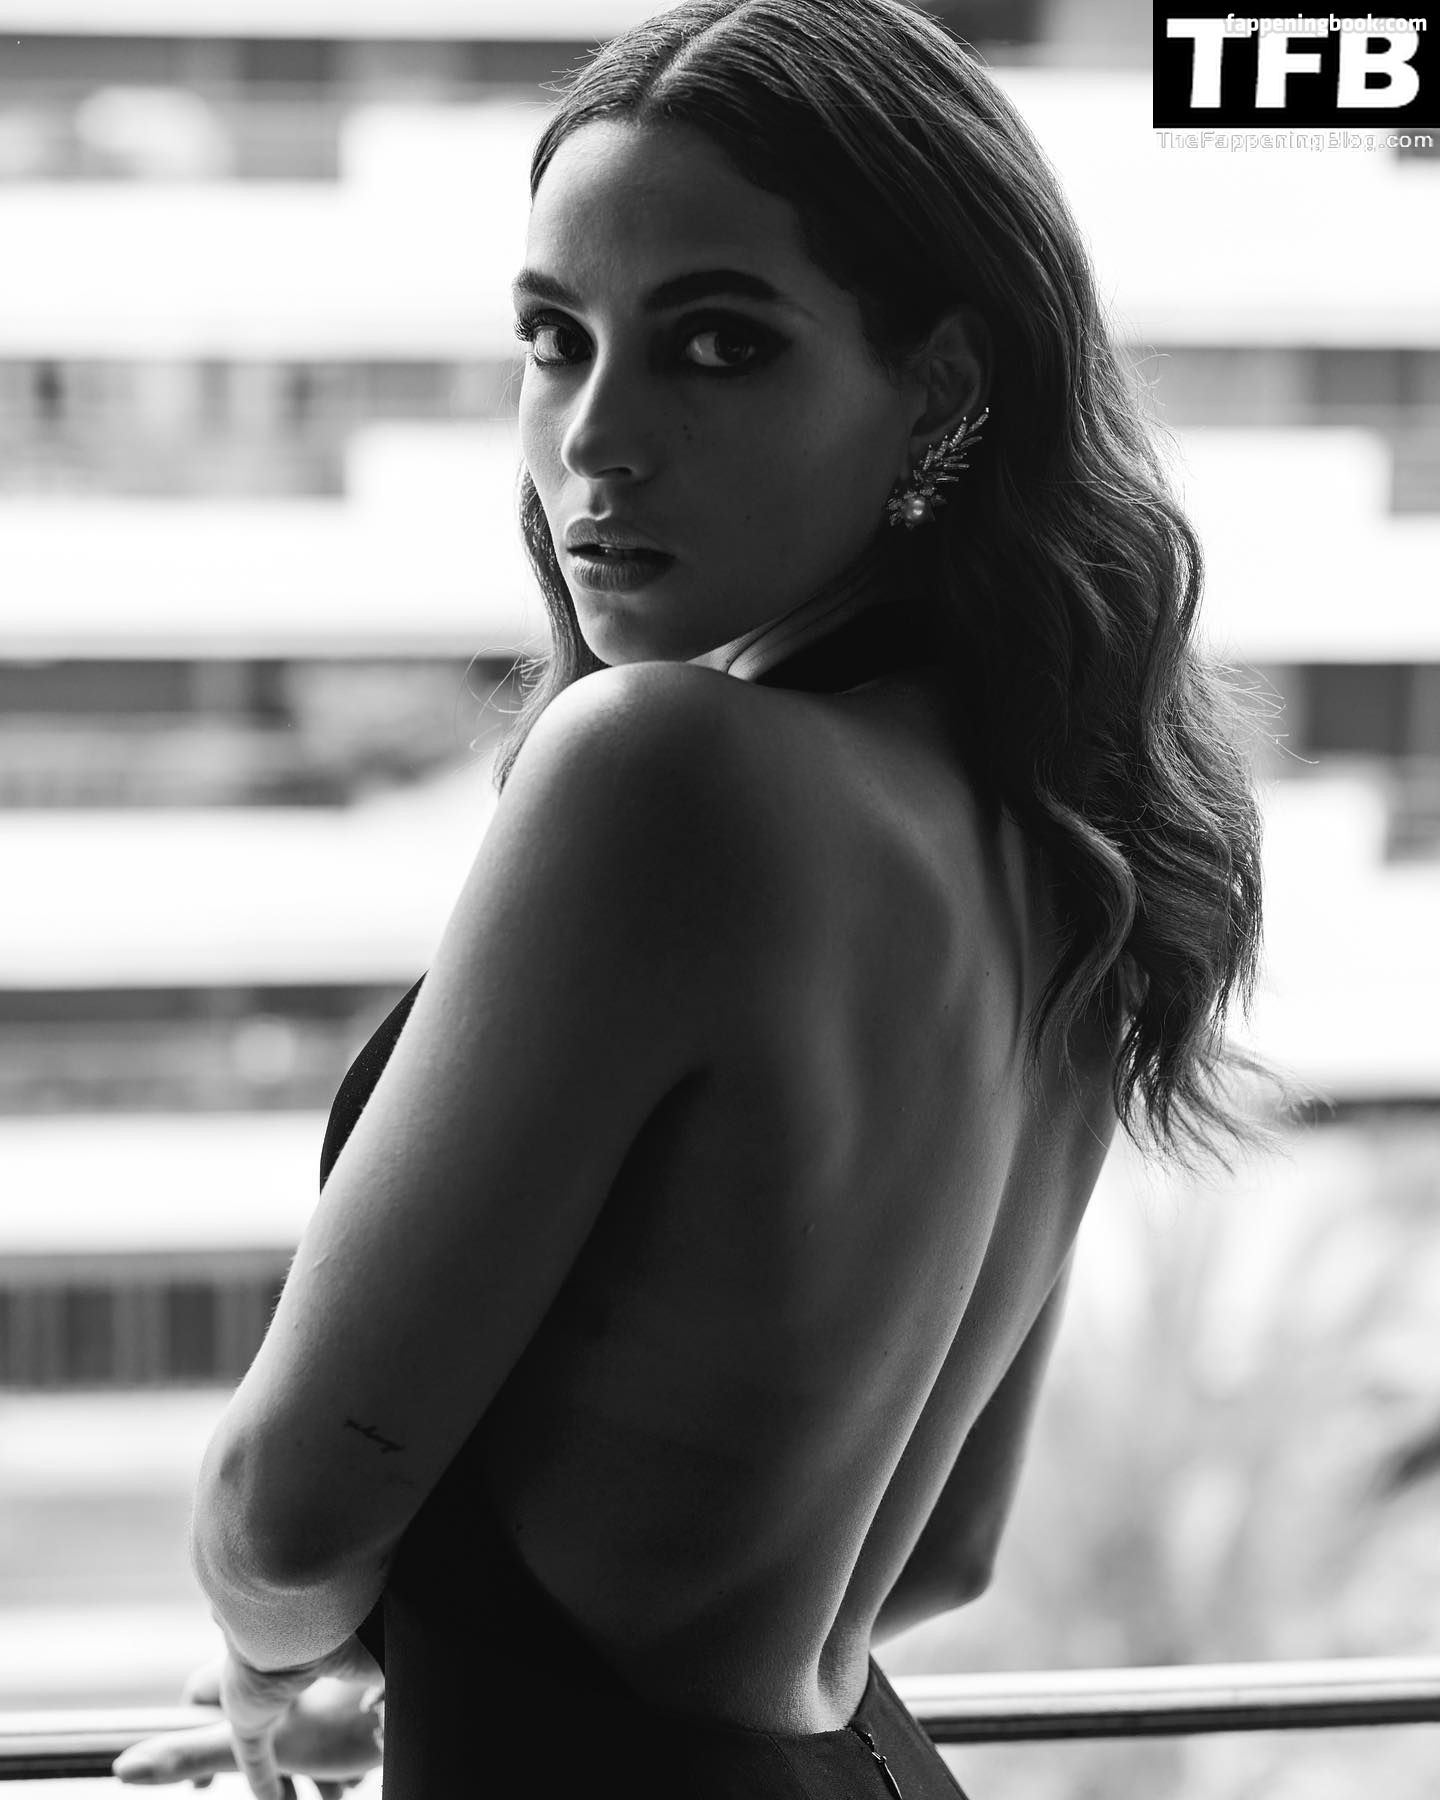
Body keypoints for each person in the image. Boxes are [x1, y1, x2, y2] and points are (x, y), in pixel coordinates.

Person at [114, 0, 1267, 1794]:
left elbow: (285, 1511)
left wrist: (284, 1661)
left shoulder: (660, 767)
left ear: (942, 389)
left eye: (718, 344)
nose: (596, 437)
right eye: (554, 340)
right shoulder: (1069, 849)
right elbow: (937, 1549)